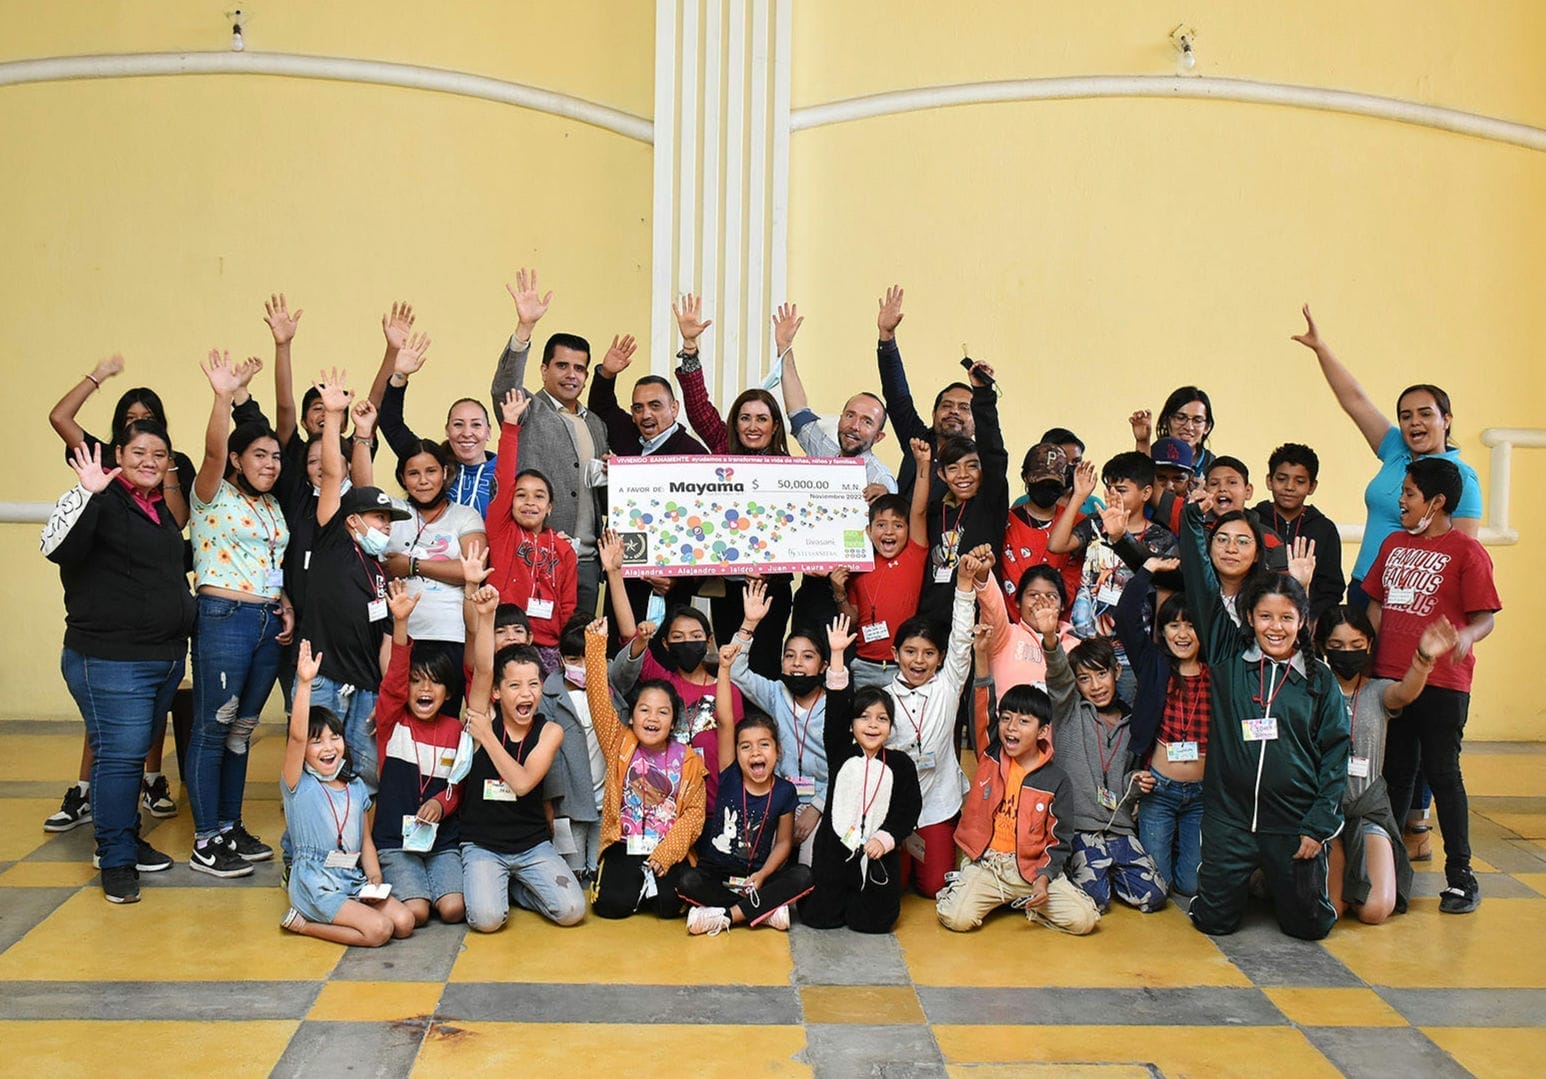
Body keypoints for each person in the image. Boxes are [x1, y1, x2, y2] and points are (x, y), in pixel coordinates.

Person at [1178, 493, 1349, 941]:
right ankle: (1244, 880)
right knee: (1213, 923)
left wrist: (1317, 826)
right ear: (1250, 619)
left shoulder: (1318, 680)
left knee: (1309, 928)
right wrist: (1193, 520)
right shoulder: (1227, 656)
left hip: (1291, 823)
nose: (1275, 627)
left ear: (1302, 621)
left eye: (1286, 618)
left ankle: (1272, 881)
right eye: (1265, 616)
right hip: (1230, 820)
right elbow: (1200, 584)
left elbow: (1336, 755)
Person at [44, 358, 197, 831]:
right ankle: (106, 831)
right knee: (116, 743)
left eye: (149, 423)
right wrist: (96, 376)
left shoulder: (167, 474)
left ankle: (145, 792)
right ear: (117, 445)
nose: (145, 450)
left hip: (160, 649)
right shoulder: (102, 476)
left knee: (133, 740)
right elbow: (62, 549)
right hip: (110, 651)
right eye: (130, 423)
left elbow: (176, 523)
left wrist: (166, 465)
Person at [1363, 458, 1500, 914]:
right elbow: (1376, 604)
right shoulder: (1393, 543)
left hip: (1443, 682)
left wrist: (1466, 636)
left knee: (1442, 773)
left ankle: (1461, 877)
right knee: (1394, 775)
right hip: (1392, 679)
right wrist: (1370, 658)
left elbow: (1484, 618)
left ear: (1436, 502)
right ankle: (1390, 876)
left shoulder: (1467, 551)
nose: (1401, 500)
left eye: (1409, 493)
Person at [1291, 304, 1483, 609]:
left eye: (1425, 414)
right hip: (1362, 584)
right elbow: (1355, 400)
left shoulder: (1461, 476)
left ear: (1446, 419)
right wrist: (1320, 348)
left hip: (1409, 596)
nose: (1414, 422)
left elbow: (1462, 555)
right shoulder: (1395, 447)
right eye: (1406, 416)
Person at [186, 350, 293, 879]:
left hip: (267, 623)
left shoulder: (271, 504)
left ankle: (230, 825)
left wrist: (285, 602)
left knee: (241, 730)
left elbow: (271, 562)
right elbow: (211, 450)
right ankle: (206, 840)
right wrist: (222, 397)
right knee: (213, 727)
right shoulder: (211, 493)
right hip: (223, 618)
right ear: (236, 459)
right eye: (259, 455)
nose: (270, 464)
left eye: (275, 456)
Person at [935, 640, 1099, 935]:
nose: (1011, 728)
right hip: (989, 866)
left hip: (1032, 870)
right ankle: (979, 890)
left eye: (1024, 721)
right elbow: (983, 704)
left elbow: (1059, 840)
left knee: (1084, 920)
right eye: (1006, 719)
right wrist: (981, 655)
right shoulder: (990, 755)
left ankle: (1026, 901)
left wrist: (1044, 879)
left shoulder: (1056, 780)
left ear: (1043, 731)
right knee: (957, 919)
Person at [294, 376, 409, 791]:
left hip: (366, 690)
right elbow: (331, 474)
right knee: (314, 773)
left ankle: (356, 834)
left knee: (366, 778)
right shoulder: (333, 538)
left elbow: (385, 641)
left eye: (389, 520)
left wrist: (386, 695)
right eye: (379, 518)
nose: (385, 526)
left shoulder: (379, 570)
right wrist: (334, 417)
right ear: (353, 520)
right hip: (323, 679)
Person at [1317, 605, 1457, 925]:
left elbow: (1405, 692)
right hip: (1325, 813)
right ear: (1323, 646)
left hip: (1368, 810)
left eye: (1356, 645)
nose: (1347, 653)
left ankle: (1359, 865)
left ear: (1369, 644)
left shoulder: (1378, 691)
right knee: (1332, 908)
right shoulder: (1312, 692)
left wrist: (1424, 658)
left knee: (1375, 910)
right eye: (1337, 645)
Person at [490, 268, 611, 619]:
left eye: (579, 368)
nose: (571, 375)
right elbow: (503, 386)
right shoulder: (528, 408)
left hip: (587, 561)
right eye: (562, 366)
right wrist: (524, 329)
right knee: (531, 643)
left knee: (579, 644)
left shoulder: (596, 424)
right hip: (536, 553)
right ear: (544, 370)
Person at [279, 641, 417, 946]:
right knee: (379, 931)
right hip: (315, 882)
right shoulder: (298, 784)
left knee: (404, 922)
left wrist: (374, 877)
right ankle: (303, 924)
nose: (329, 747)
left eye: (335, 738)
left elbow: (365, 839)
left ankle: (348, 911)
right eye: (317, 742)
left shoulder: (355, 786)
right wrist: (305, 683)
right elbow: (297, 736)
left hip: (351, 877)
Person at [459, 614, 587, 931]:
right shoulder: (485, 716)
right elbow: (483, 669)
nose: (526, 694)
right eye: (514, 685)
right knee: (487, 920)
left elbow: (522, 783)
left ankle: (516, 891)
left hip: (532, 845)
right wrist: (486, 616)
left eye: (533, 684)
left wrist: (486, 737)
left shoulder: (550, 732)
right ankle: (499, 887)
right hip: (483, 845)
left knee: (572, 911)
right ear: (496, 692)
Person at [602, 530, 743, 809]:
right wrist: (615, 573)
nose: (687, 642)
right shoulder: (661, 684)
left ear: (709, 640)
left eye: (695, 635)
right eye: (678, 637)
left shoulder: (729, 691)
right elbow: (630, 636)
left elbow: (737, 748)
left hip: (715, 807)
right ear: (665, 644)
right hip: (664, 809)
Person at [800, 616, 921, 933]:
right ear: (852, 725)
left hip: (876, 853)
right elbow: (837, 708)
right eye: (864, 717)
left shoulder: (900, 764)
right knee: (819, 919)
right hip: (835, 851)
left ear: (890, 726)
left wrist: (886, 838)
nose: (872, 725)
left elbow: (908, 810)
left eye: (882, 718)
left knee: (874, 923)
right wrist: (838, 655)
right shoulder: (841, 752)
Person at [678, 656, 815, 934]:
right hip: (717, 873)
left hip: (759, 877)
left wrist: (763, 875)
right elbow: (725, 720)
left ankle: (728, 916)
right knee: (687, 881)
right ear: (736, 752)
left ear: (777, 751)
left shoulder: (785, 791)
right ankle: (762, 912)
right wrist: (724, 669)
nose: (755, 753)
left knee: (803, 875)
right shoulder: (730, 775)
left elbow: (784, 843)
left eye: (764, 745)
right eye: (746, 747)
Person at [581, 618, 707, 919]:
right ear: (632, 716)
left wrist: (667, 852)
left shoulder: (688, 759)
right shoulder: (619, 742)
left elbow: (694, 814)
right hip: (625, 844)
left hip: (666, 846)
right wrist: (596, 645)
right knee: (611, 907)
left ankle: (647, 888)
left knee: (669, 907)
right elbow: (598, 698)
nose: (652, 718)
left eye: (663, 712)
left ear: (673, 722)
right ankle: (631, 887)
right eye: (644, 710)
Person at [1043, 627, 1167, 915]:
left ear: (1117, 672)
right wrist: (1050, 639)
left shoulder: (1133, 724)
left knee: (1155, 896)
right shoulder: (1069, 712)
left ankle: (1104, 869)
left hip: (1119, 828)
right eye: (1084, 678)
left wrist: (1135, 783)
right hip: (1081, 828)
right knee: (1095, 901)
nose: (1096, 685)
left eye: (1101, 674)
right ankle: (1078, 869)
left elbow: (1125, 782)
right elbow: (1058, 676)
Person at [372, 580, 468, 927]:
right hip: (395, 841)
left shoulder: (456, 730)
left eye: (434, 681)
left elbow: (459, 784)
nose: (425, 688)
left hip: (441, 841)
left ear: (448, 693)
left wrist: (442, 804)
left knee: (454, 909)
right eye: (416, 681)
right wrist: (401, 624)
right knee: (417, 912)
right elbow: (394, 681)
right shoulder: (392, 722)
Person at [882, 549, 978, 897]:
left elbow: (962, 639)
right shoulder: (882, 700)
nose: (918, 661)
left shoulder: (948, 685)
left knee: (934, 886)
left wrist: (964, 585)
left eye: (928, 653)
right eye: (910, 652)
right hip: (893, 805)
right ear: (895, 654)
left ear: (940, 657)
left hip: (937, 801)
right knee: (894, 885)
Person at [1116, 562, 1209, 907]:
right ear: (1163, 631)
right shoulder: (1153, 662)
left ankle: (1181, 846)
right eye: (1174, 625)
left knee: (1191, 885)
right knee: (1158, 885)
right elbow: (1125, 616)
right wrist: (1147, 570)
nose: (1182, 633)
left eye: (1191, 624)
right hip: (1160, 790)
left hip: (1201, 796)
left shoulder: (1216, 670)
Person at [727, 579, 835, 864]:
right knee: (759, 862)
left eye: (807, 657)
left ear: (823, 666)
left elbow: (844, 766)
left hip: (823, 800)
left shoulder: (836, 706)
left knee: (811, 867)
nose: (797, 663)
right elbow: (735, 672)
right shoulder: (776, 693)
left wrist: (817, 807)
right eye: (790, 656)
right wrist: (749, 624)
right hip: (779, 799)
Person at [383, 434, 487, 714]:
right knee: (400, 721)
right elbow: (360, 491)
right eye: (413, 473)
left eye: (430, 471)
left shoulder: (465, 516)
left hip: (450, 636)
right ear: (402, 478)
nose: (423, 481)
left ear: (444, 473)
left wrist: (412, 565)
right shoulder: (392, 512)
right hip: (401, 637)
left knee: (445, 722)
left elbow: (471, 569)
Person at [541, 614, 644, 882]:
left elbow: (627, 667)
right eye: (574, 659)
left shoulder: (610, 687)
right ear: (560, 659)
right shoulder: (548, 696)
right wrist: (550, 804)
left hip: (609, 802)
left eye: (588, 658)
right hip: (569, 805)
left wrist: (639, 642)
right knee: (571, 873)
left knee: (601, 871)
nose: (582, 667)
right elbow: (549, 760)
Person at [485, 389, 577, 674]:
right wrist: (510, 427)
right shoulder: (502, 532)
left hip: (549, 649)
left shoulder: (563, 549)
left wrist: (564, 649)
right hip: (504, 640)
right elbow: (503, 477)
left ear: (549, 507)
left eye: (539, 497)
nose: (529, 502)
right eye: (521, 495)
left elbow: (568, 606)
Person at [913, 359, 1009, 627]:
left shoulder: (989, 504)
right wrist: (922, 464)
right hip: (932, 623)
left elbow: (993, 452)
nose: (963, 475)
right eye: (954, 468)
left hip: (978, 623)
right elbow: (916, 513)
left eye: (972, 466)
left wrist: (983, 394)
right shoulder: (937, 510)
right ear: (943, 475)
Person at [775, 301, 896, 498]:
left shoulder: (880, 478)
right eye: (850, 415)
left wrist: (887, 498)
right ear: (840, 420)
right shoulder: (824, 454)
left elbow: (894, 514)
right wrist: (784, 347)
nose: (854, 426)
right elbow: (798, 413)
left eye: (867, 422)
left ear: (878, 437)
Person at [378, 329, 500, 517]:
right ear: (447, 430)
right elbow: (390, 423)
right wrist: (400, 375)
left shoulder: (506, 470)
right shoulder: (431, 462)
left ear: (489, 431)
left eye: (476, 424)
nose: (467, 433)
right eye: (458, 424)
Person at [873, 285, 975, 500]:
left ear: (977, 421)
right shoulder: (918, 440)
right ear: (934, 414)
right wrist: (887, 337)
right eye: (946, 405)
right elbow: (897, 397)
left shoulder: (979, 461)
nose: (954, 411)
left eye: (964, 408)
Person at [836, 491, 928, 690]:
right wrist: (839, 592)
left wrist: (924, 470)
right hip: (864, 666)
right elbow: (851, 623)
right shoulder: (859, 567)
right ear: (869, 531)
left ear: (909, 530)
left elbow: (919, 511)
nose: (889, 532)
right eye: (881, 525)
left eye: (898, 525)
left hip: (903, 667)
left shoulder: (913, 555)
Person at [1255, 443, 1345, 629]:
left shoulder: (1324, 529)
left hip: (1306, 626)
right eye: (1282, 479)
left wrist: (1312, 619)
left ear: (1312, 486)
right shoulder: (1253, 521)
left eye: (1300, 481)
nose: (1289, 487)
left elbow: (1331, 588)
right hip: (1257, 620)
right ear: (1269, 481)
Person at [1001, 442, 1082, 607]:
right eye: (1040, 482)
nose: (1047, 489)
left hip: (1060, 619)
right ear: (1025, 477)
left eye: (1054, 484)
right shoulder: (1004, 522)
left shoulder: (1078, 523)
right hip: (1011, 620)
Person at [977, 563, 1077, 692]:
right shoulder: (1005, 636)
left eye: (1050, 596)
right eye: (1033, 595)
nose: (1041, 602)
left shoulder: (1077, 647)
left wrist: (1050, 634)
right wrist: (983, 574)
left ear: (1062, 605)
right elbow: (992, 607)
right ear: (1018, 602)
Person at [1131, 387, 1219, 475]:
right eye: (1180, 418)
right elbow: (1140, 478)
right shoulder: (1153, 456)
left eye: (1197, 420)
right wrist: (1142, 442)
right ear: (1166, 420)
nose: (1189, 427)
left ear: (1207, 427)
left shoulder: (1215, 468)